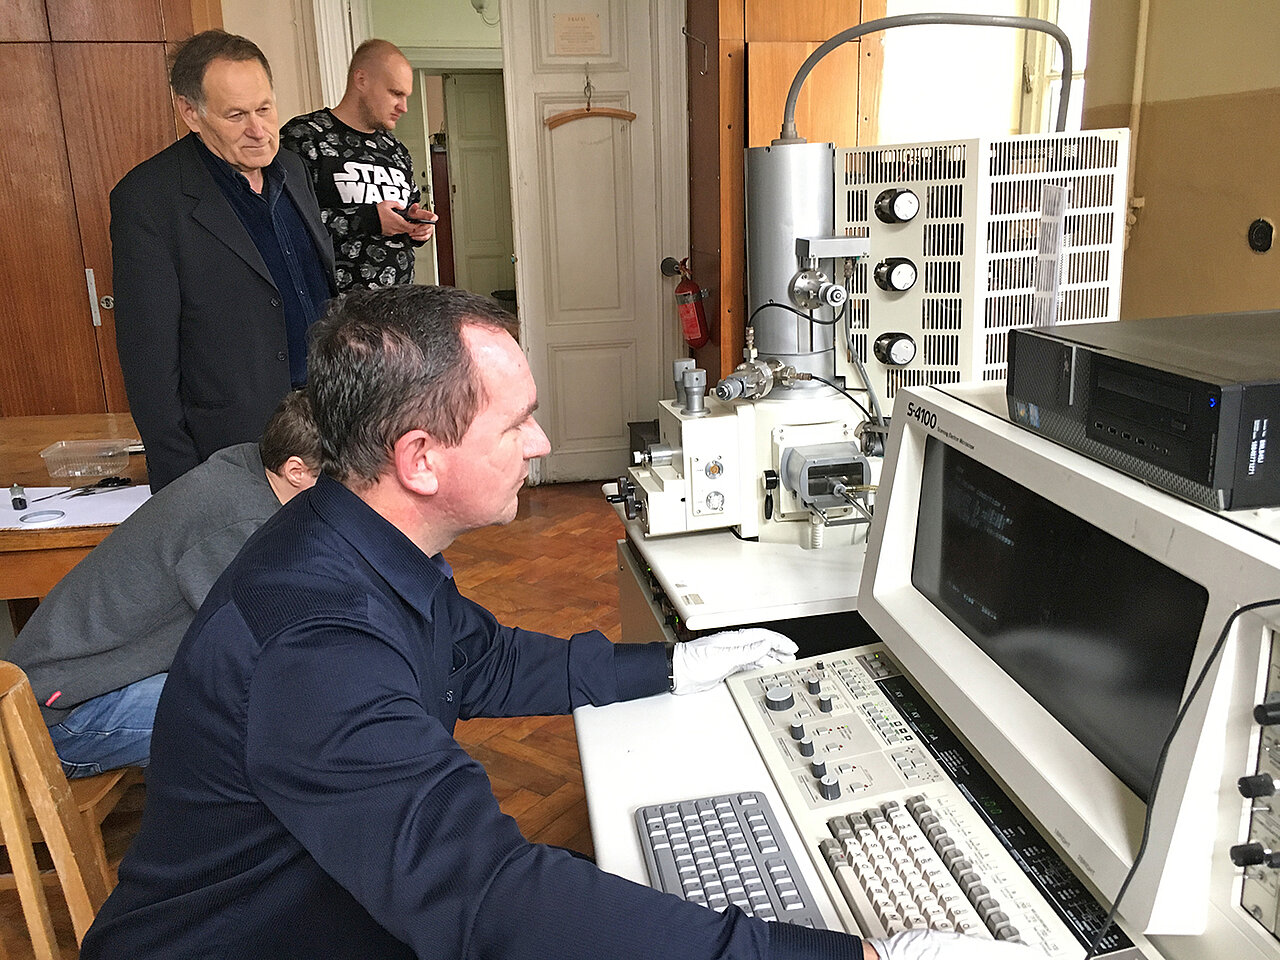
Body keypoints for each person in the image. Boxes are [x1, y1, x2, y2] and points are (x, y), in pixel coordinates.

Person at [81, 287, 1043, 960]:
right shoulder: (318, 642)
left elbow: (481, 662)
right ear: (419, 458)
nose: (542, 444)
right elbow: (486, 898)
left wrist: (670, 669)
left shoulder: (354, 541)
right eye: (516, 424)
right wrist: (851, 957)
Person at [8, 391, 321, 778]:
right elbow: (264, 643)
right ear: (296, 471)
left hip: (81, 687)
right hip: (58, 719)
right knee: (277, 715)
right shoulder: (239, 521)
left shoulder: (248, 466)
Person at [110, 30, 336, 492]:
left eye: (265, 109)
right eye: (236, 115)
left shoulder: (293, 170)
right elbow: (149, 361)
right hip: (234, 448)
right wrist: (181, 485)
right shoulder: (149, 199)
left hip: (328, 425)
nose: (259, 130)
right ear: (190, 112)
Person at [281, 39, 435, 291]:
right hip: (333, 306)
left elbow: (408, 208)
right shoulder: (304, 136)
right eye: (395, 93)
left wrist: (417, 227)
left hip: (396, 304)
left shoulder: (396, 150)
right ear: (361, 80)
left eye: (406, 96)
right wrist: (369, 219)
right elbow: (286, 221)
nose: (404, 107)